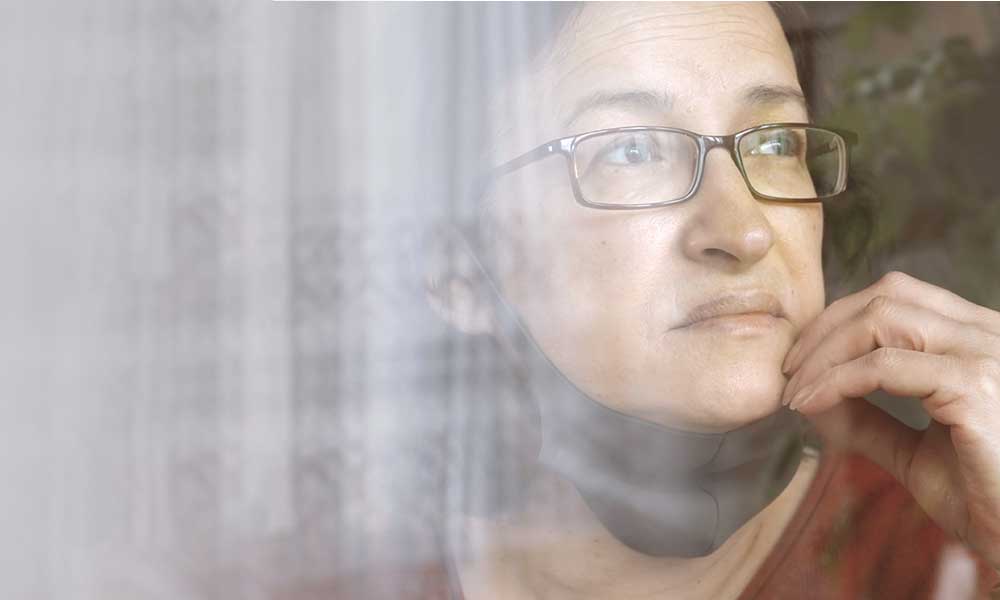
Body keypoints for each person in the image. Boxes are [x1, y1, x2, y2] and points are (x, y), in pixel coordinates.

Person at [405, 3, 1000, 599]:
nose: (745, 233)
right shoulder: (359, 578)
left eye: (773, 142)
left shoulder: (954, 549)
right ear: (464, 277)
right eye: (631, 150)